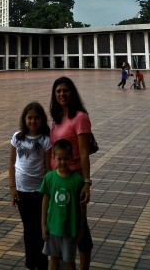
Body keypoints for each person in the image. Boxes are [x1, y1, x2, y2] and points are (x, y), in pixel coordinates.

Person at [49, 77, 93, 270]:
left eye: (65, 90)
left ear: (72, 93)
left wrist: (86, 182)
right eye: (58, 91)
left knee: (80, 227)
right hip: (57, 179)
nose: (62, 94)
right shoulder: (57, 117)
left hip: (74, 179)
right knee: (63, 223)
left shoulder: (80, 117)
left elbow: (84, 152)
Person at [9, 101, 52, 270]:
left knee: (40, 228)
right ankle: (30, 263)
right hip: (21, 191)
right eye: (29, 117)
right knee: (28, 228)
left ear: (41, 120)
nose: (33, 121)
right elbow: (12, 163)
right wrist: (12, 187)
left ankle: (41, 263)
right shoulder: (17, 137)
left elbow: (48, 168)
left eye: (36, 118)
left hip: (39, 192)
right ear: (24, 119)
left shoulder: (45, 140)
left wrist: (48, 192)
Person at [41, 139, 86, 270]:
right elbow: (45, 201)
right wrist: (43, 225)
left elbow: (81, 206)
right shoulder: (49, 178)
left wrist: (81, 228)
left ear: (71, 158)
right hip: (52, 228)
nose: (62, 162)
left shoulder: (77, 180)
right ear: (54, 158)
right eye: (59, 159)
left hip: (70, 229)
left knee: (69, 261)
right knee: (53, 259)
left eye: (66, 159)